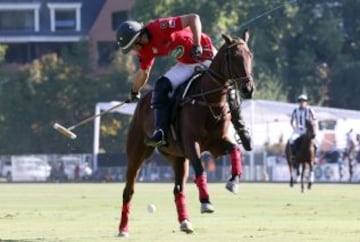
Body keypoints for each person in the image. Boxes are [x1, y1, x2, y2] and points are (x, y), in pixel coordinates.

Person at [115, 14, 251, 150]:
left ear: (138, 38)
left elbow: (194, 18)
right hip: (185, 64)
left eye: (132, 46)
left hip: (205, 54)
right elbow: (144, 73)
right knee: (161, 86)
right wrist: (135, 91)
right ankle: (160, 132)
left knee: (226, 83)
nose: (133, 50)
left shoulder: (160, 27)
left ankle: (240, 127)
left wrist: (197, 44)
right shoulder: (144, 51)